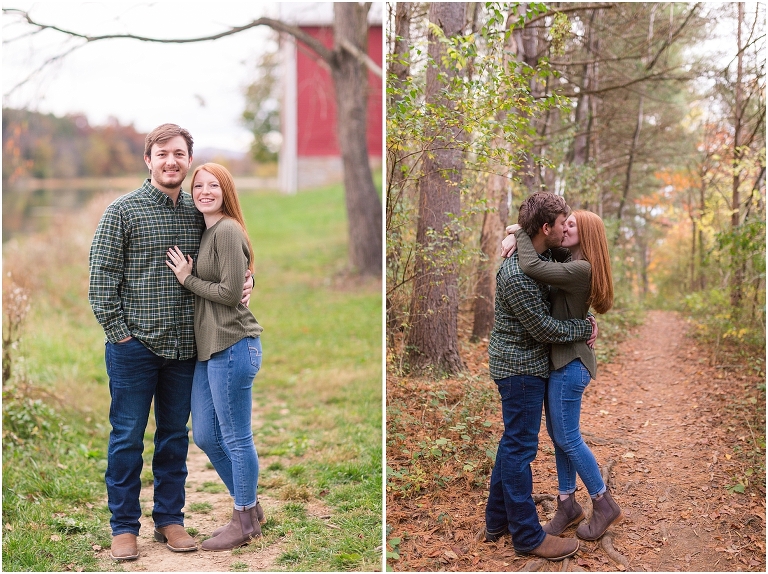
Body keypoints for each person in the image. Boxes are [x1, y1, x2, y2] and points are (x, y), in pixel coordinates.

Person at [88, 124, 253, 561]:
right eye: (162, 154)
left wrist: (250, 279)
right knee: (126, 436)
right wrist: (119, 334)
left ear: (187, 159)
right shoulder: (122, 211)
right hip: (134, 347)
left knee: (173, 437)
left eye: (179, 154)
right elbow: (101, 280)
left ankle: (170, 520)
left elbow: (230, 254)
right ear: (148, 159)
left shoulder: (197, 212)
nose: (171, 161)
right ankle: (124, 528)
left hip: (185, 348)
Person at [483, 192, 597, 562]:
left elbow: (573, 263)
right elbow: (544, 329)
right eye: (562, 223)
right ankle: (528, 536)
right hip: (520, 369)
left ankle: (497, 520)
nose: (566, 228)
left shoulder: (545, 252)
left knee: (512, 442)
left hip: (529, 366)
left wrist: (514, 231)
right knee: (520, 449)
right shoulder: (517, 274)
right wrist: (583, 327)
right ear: (545, 228)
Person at [501, 209, 622, 541]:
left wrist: (520, 235)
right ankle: (567, 503)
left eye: (572, 225)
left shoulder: (581, 268)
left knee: (568, 438)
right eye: (563, 223)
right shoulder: (568, 258)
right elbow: (542, 247)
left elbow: (532, 265)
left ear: (586, 234)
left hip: (571, 365)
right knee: (560, 439)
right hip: (563, 362)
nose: (564, 228)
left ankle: (603, 501)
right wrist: (517, 231)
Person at [165, 163, 264, 551]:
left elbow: (227, 292)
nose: (205, 191)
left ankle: (243, 519)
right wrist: (251, 276)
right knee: (206, 435)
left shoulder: (225, 229)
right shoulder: (208, 229)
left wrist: (187, 278)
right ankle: (251, 506)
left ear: (226, 191)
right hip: (209, 350)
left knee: (237, 437)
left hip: (233, 345)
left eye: (213, 185)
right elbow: (239, 275)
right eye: (199, 185)